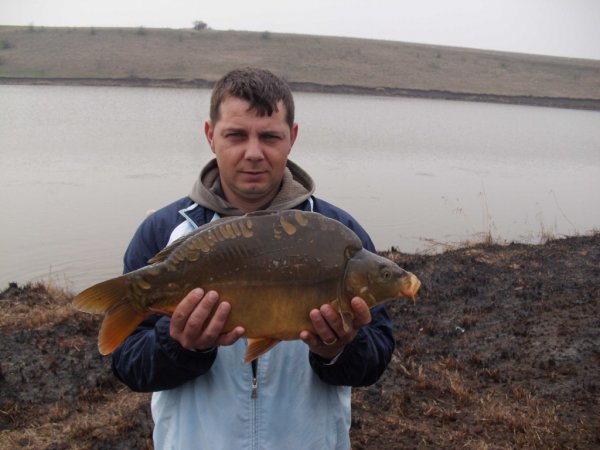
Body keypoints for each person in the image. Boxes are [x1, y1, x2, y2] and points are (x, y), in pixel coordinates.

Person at [112, 67, 395, 450]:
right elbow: (128, 364)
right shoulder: (163, 232)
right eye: (236, 135)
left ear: (292, 137)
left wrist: (338, 350)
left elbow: (376, 357)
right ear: (210, 135)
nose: (253, 153)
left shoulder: (339, 234)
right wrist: (179, 344)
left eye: (269, 137)